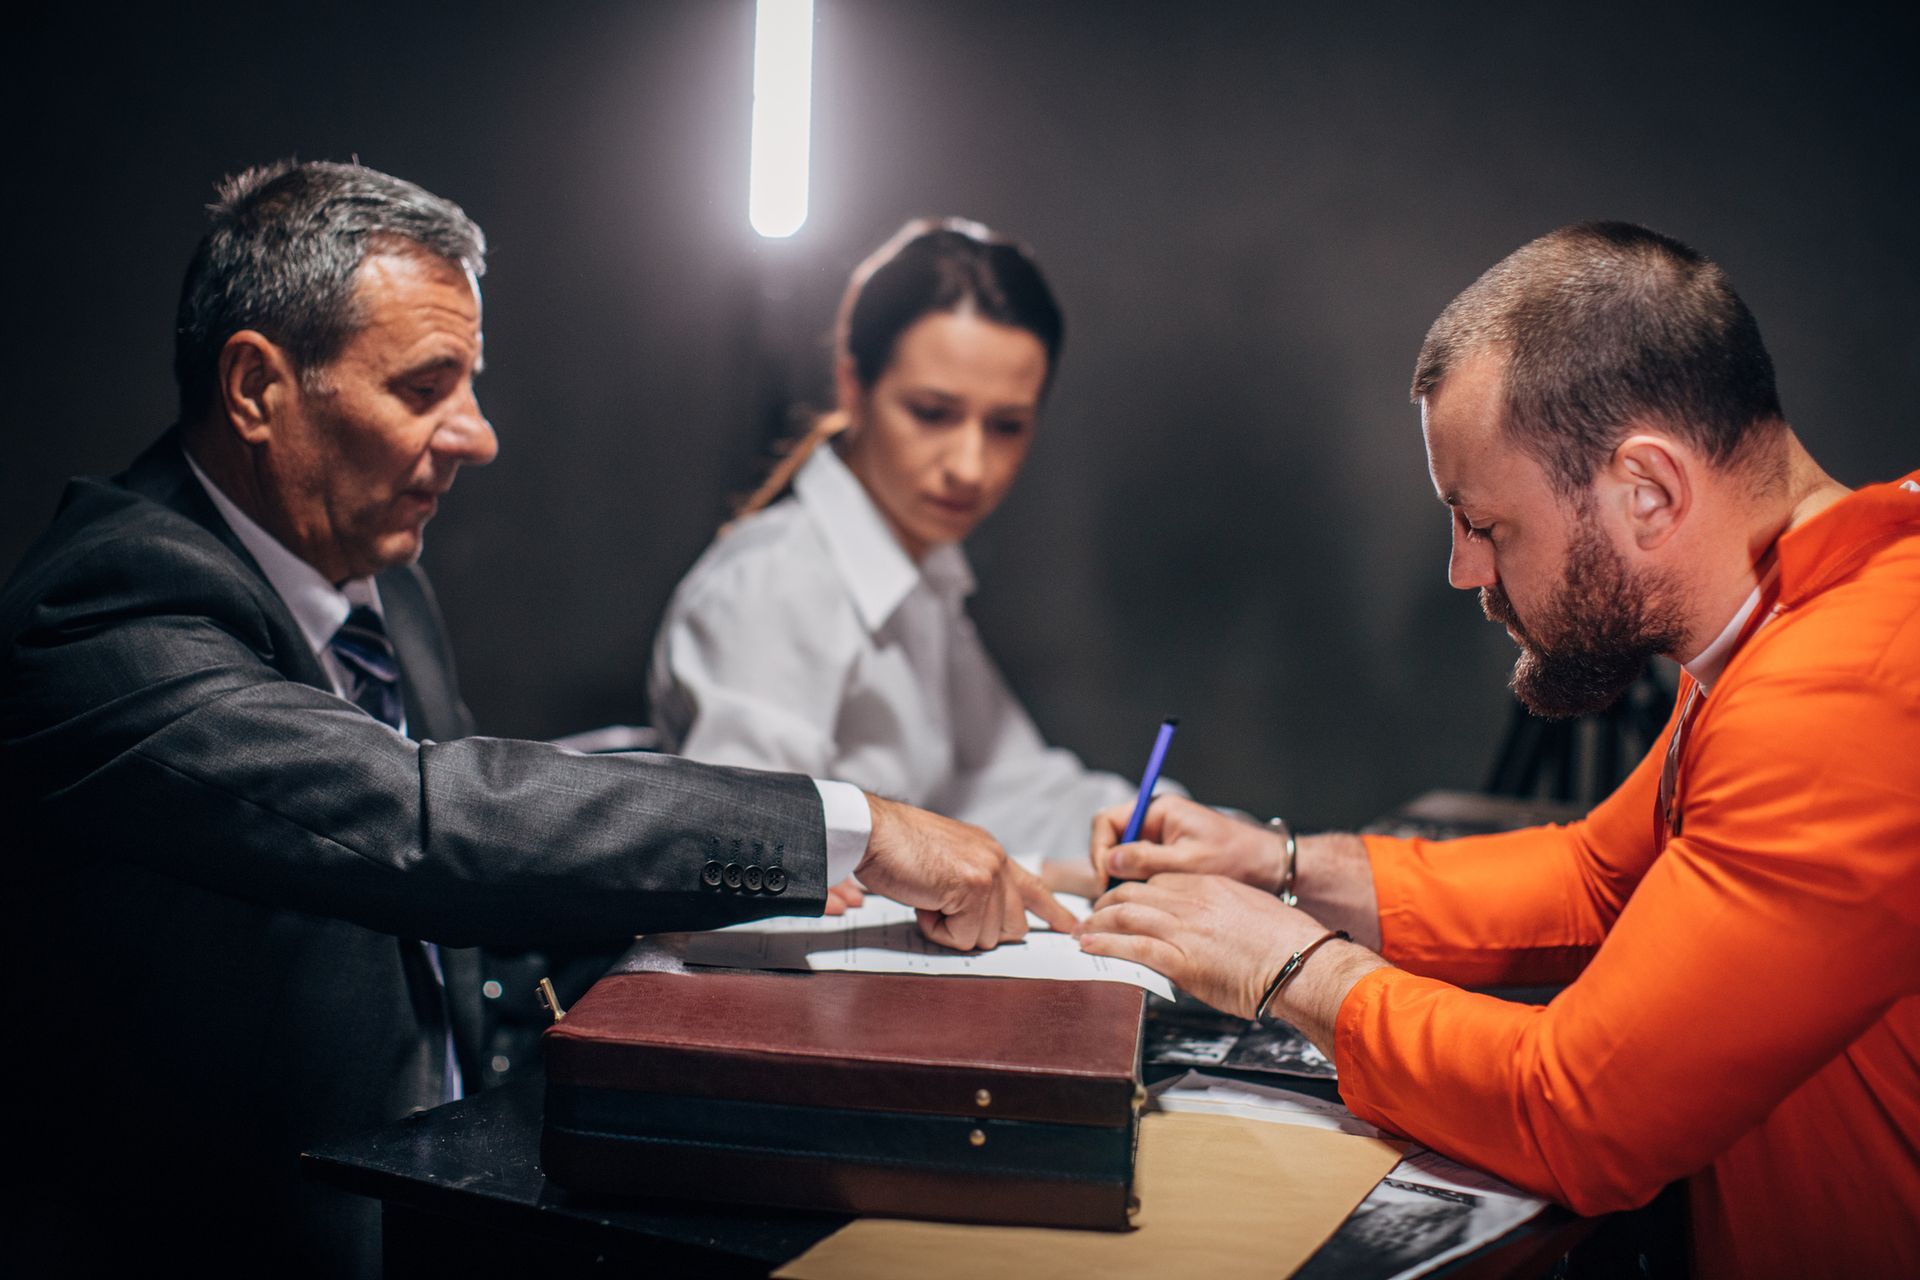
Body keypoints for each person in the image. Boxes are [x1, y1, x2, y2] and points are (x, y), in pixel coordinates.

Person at [0, 161, 1070, 1276]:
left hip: (432, 1200)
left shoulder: (379, 576)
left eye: (472, 382)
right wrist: (845, 826)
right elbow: (420, 815)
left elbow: (455, 836)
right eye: (425, 387)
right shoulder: (100, 607)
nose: (478, 434)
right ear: (258, 387)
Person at [1075, 223, 1918, 1278]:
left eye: (1485, 524)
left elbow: (1580, 1109)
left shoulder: (1844, 685)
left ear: (1647, 490)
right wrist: (1277, 863)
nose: (1463, 571)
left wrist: (1283, 962)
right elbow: (1593, 877)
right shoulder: (1816, 605)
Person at [649, 218, 1173, 886]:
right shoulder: (776, 583)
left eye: (1007, 426)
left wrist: (1195, 834)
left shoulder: (919, 569)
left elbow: (1009, 787)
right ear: (851, 387)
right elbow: (748, 873)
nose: (970, 466)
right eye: (932, 413)